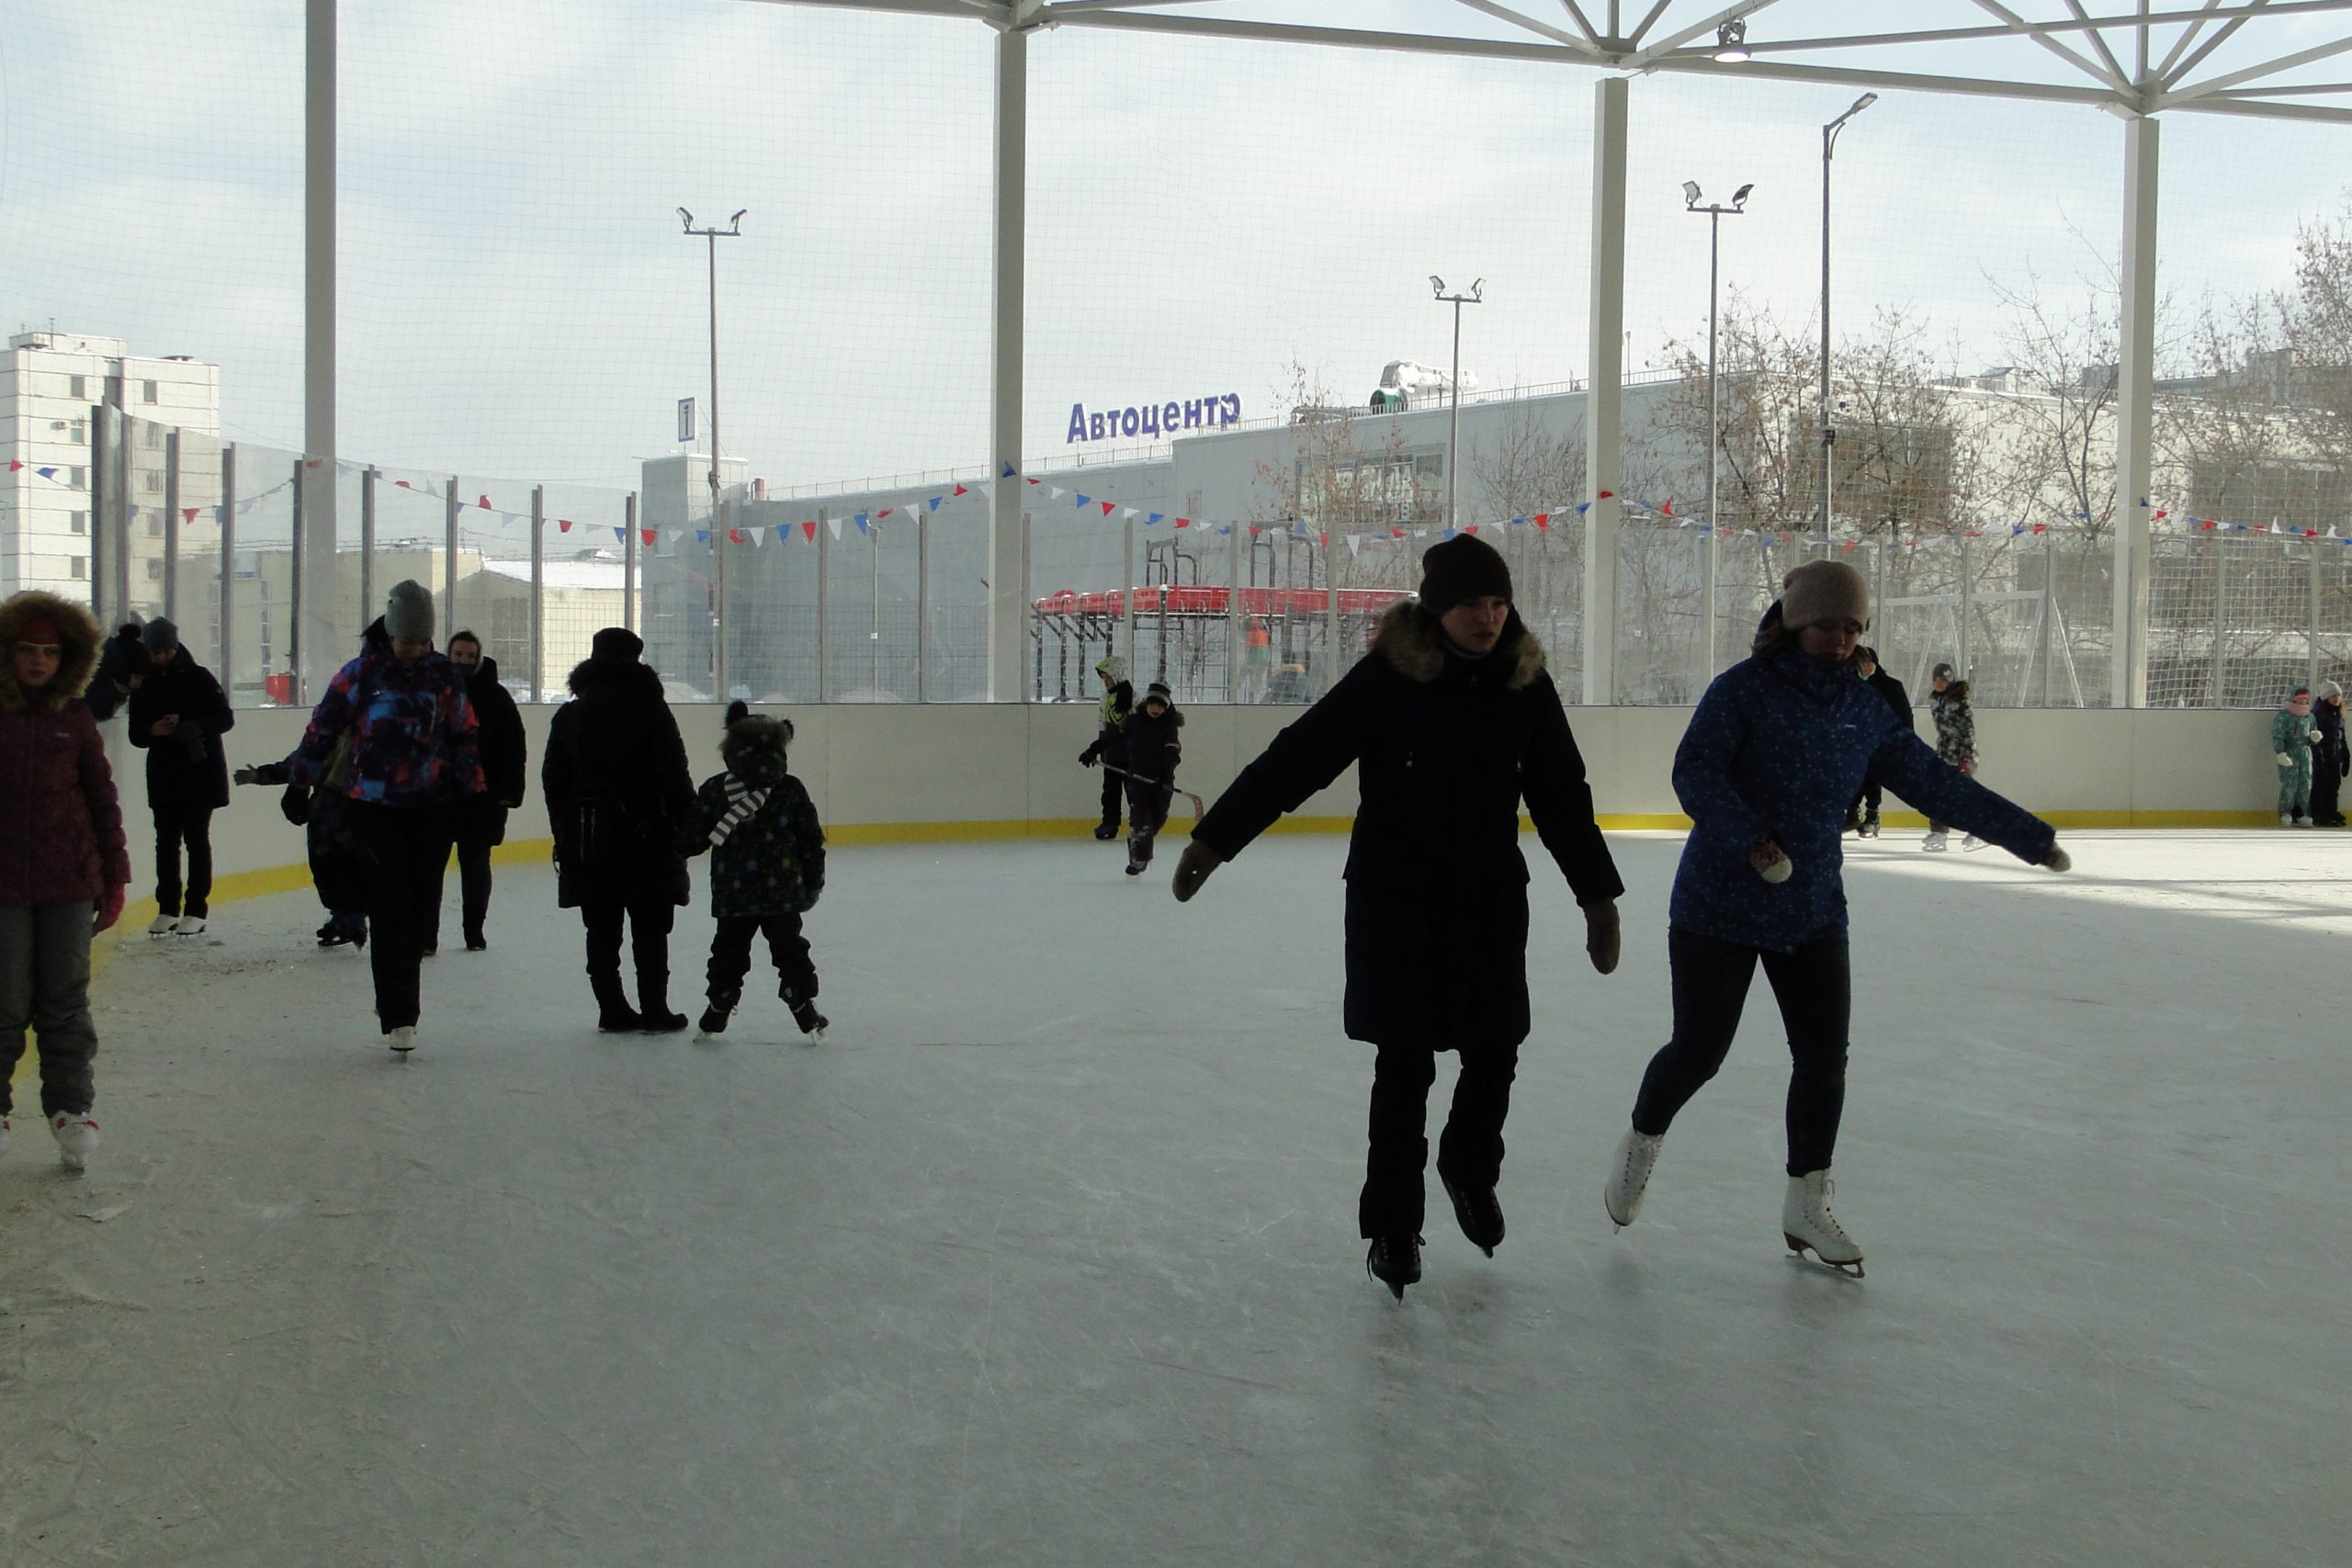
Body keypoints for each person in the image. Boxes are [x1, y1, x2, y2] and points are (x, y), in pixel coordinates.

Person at [1171, 534, 1623, 1301]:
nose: (1489, 617)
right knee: (1405, 1065)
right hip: (1397, 900)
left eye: (1499, 602)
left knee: (1496, 1049)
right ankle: (1392, 1225)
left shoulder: (1524, 682)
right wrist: (1217, 840)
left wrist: (1597, 895)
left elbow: (1561, 795)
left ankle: (1468, 1169)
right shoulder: (1390, 676)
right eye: (1472, 603)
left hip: (1487, 899)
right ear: (1438, 608)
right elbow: (1301, 756)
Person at [1600, 561, 2069, 1277]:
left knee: (1823, 1060)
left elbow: (1933, 781)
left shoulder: (1864, 707)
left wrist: (2028, 837)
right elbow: (1694, 770)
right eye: (1827, 625)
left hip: (1812, 907)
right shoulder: (1743, 690)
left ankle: (1807, 1200)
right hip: (1719, 902)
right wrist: (1750, 837)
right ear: (1794, 622)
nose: (1842, 639)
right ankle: (1641, 1140)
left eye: (1853, 627)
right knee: (1699, 1050)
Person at [281, 582, 483, 1056]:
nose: (414, 649)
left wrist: (472, 792)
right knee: (391, 906)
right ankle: (398, 1013)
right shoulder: (361, 675)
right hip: (373, 807)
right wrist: (299, 783)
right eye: (405, 640)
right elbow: (322, 731)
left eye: (421, 641)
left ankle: (401, 1000)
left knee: (420, 907)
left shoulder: (444, 675)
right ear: (390, 634)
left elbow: (464, 734)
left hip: (431, 806)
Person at [0, 592, 130, 1170]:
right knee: (4, 1001)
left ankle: (71, 1108)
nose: (37, 661)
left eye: (49, 652)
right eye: (27, 649)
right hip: (3, 887)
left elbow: (102, 800)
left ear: (66, 659)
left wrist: (114, 878)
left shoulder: (74, 718)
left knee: (65, 1002)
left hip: (69, 883)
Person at [542, 626, 695, 1033]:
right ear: (636, 659)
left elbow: (554, 781)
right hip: (649, 835)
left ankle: (612, 1009)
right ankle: (655, 1010)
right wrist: (688, 826)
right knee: (651, 929)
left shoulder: (570, 715)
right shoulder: (653, 711)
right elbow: (675, 776)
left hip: (589, 837)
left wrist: (565, 833)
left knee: (601, 929)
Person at [678, 701, 828, 1039]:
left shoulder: (717, 788)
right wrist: (813, 883)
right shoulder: (790, 788)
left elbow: (691, 840)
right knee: (790, 948)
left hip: (733, 893)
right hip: (783, 892)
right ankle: (802, 1002)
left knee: (728, 950)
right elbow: (810, 841)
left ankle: (719, 1004)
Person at [126, 616, 234, 936]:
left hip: (199, 772)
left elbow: (225, 718)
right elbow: (136, 734)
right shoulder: (144, 684)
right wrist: (153, 730)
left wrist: (195, 726)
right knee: (166, 842)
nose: (160, 657)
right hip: (164, 774)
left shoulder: (199, 678)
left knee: (196, 839)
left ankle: (197, 908)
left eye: (165, 651)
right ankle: (167, 908)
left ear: (175, 648)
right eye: (155, 652)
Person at [438, 630, 526, 951]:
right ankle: (426, 935)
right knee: (430, 868)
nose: (463, 661)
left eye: (470, 656)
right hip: (437, 796)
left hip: (480, 797)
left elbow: (513, 746)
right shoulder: (435, 689)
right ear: (448, 654)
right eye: (458, 654)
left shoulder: (495, 696)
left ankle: (473, 931)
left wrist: (508, 792)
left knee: (475, 865)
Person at [1841, 647, 1909, 839]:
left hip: (1880, 741)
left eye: (1867, 662)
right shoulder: (1850, 686)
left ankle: (1872, 815)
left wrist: (1904, 740)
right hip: (1855, 741)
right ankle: (1852, 813)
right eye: (1859, 664)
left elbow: (1904, 714)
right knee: (1853, 777)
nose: (1863, 667)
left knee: (1872, 778)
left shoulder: (1890, 687)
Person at [1120, 681, 1183, 877]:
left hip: (1162, 783)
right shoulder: (1135, 722)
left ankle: (1140, 845)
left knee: (1157, 819)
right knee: (1141, 820)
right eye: (1152, 704)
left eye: (1160, 706)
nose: (1155, 709)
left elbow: (1172, 755)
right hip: (1137, 780)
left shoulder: (1169, 727)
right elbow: (1115, 738)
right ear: (1146, 704)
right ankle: (1138, 858)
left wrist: (1163, 777)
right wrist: (1094, 749)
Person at [1076, 655, 1134, 840]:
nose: (1105, 681)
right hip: (1112, 752)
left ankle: (1139, 824)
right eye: (1103, 678)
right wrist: (1097, 749)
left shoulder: (1131, 696)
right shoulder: (1106, 698)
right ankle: (1110, 823)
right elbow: (1103, 725)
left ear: (1117, 675)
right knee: (1110, 791)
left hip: (1131, 755)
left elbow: (1134, 727)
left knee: (1134, 793)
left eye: (1108, 677)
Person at [1923, 661, 1978, 851]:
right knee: (1936, 792)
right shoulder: (1935, 700)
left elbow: (1968, 730)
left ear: (1950, 680)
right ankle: (1938, 831)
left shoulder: (1960, 701)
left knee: (1963, 795)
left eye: (1943, 680)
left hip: (1961, 754)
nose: (1939, 683)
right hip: (1943, 754)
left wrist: (1967, 756)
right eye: (1936, 680)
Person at [82, 615, 149, 722]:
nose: (139, 684)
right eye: (138, 678)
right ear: (125, 670)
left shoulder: (102, 664)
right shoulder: (101, 691)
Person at [2274, 685, 2318, 828]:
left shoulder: (2310, 717)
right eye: (2300, 698)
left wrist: (2314, 737)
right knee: (2290, 783)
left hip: (2305, 753)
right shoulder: (2283, 717)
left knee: (2305, 783)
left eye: (2305, 699)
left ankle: (2302, 812)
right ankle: (2285, 811)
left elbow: (2312, 732)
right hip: (2290, 752)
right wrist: (2280, 752)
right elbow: (2278, 735)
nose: (2303, 701)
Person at [2311, 682, 2347, 828]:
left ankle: (2330, 812)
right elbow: (2314, 738)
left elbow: (2341, 737)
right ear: (2326, 697)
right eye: (2333, 695)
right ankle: (2318, 813)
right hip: (2321, 757)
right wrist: (2318, 756)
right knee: (2321, 785)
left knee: (2334, 785)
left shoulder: (2338, 715)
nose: (2336, 698)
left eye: (2338, 695)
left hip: (2334, 757)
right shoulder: (2318, 715)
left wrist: (2345, 755)